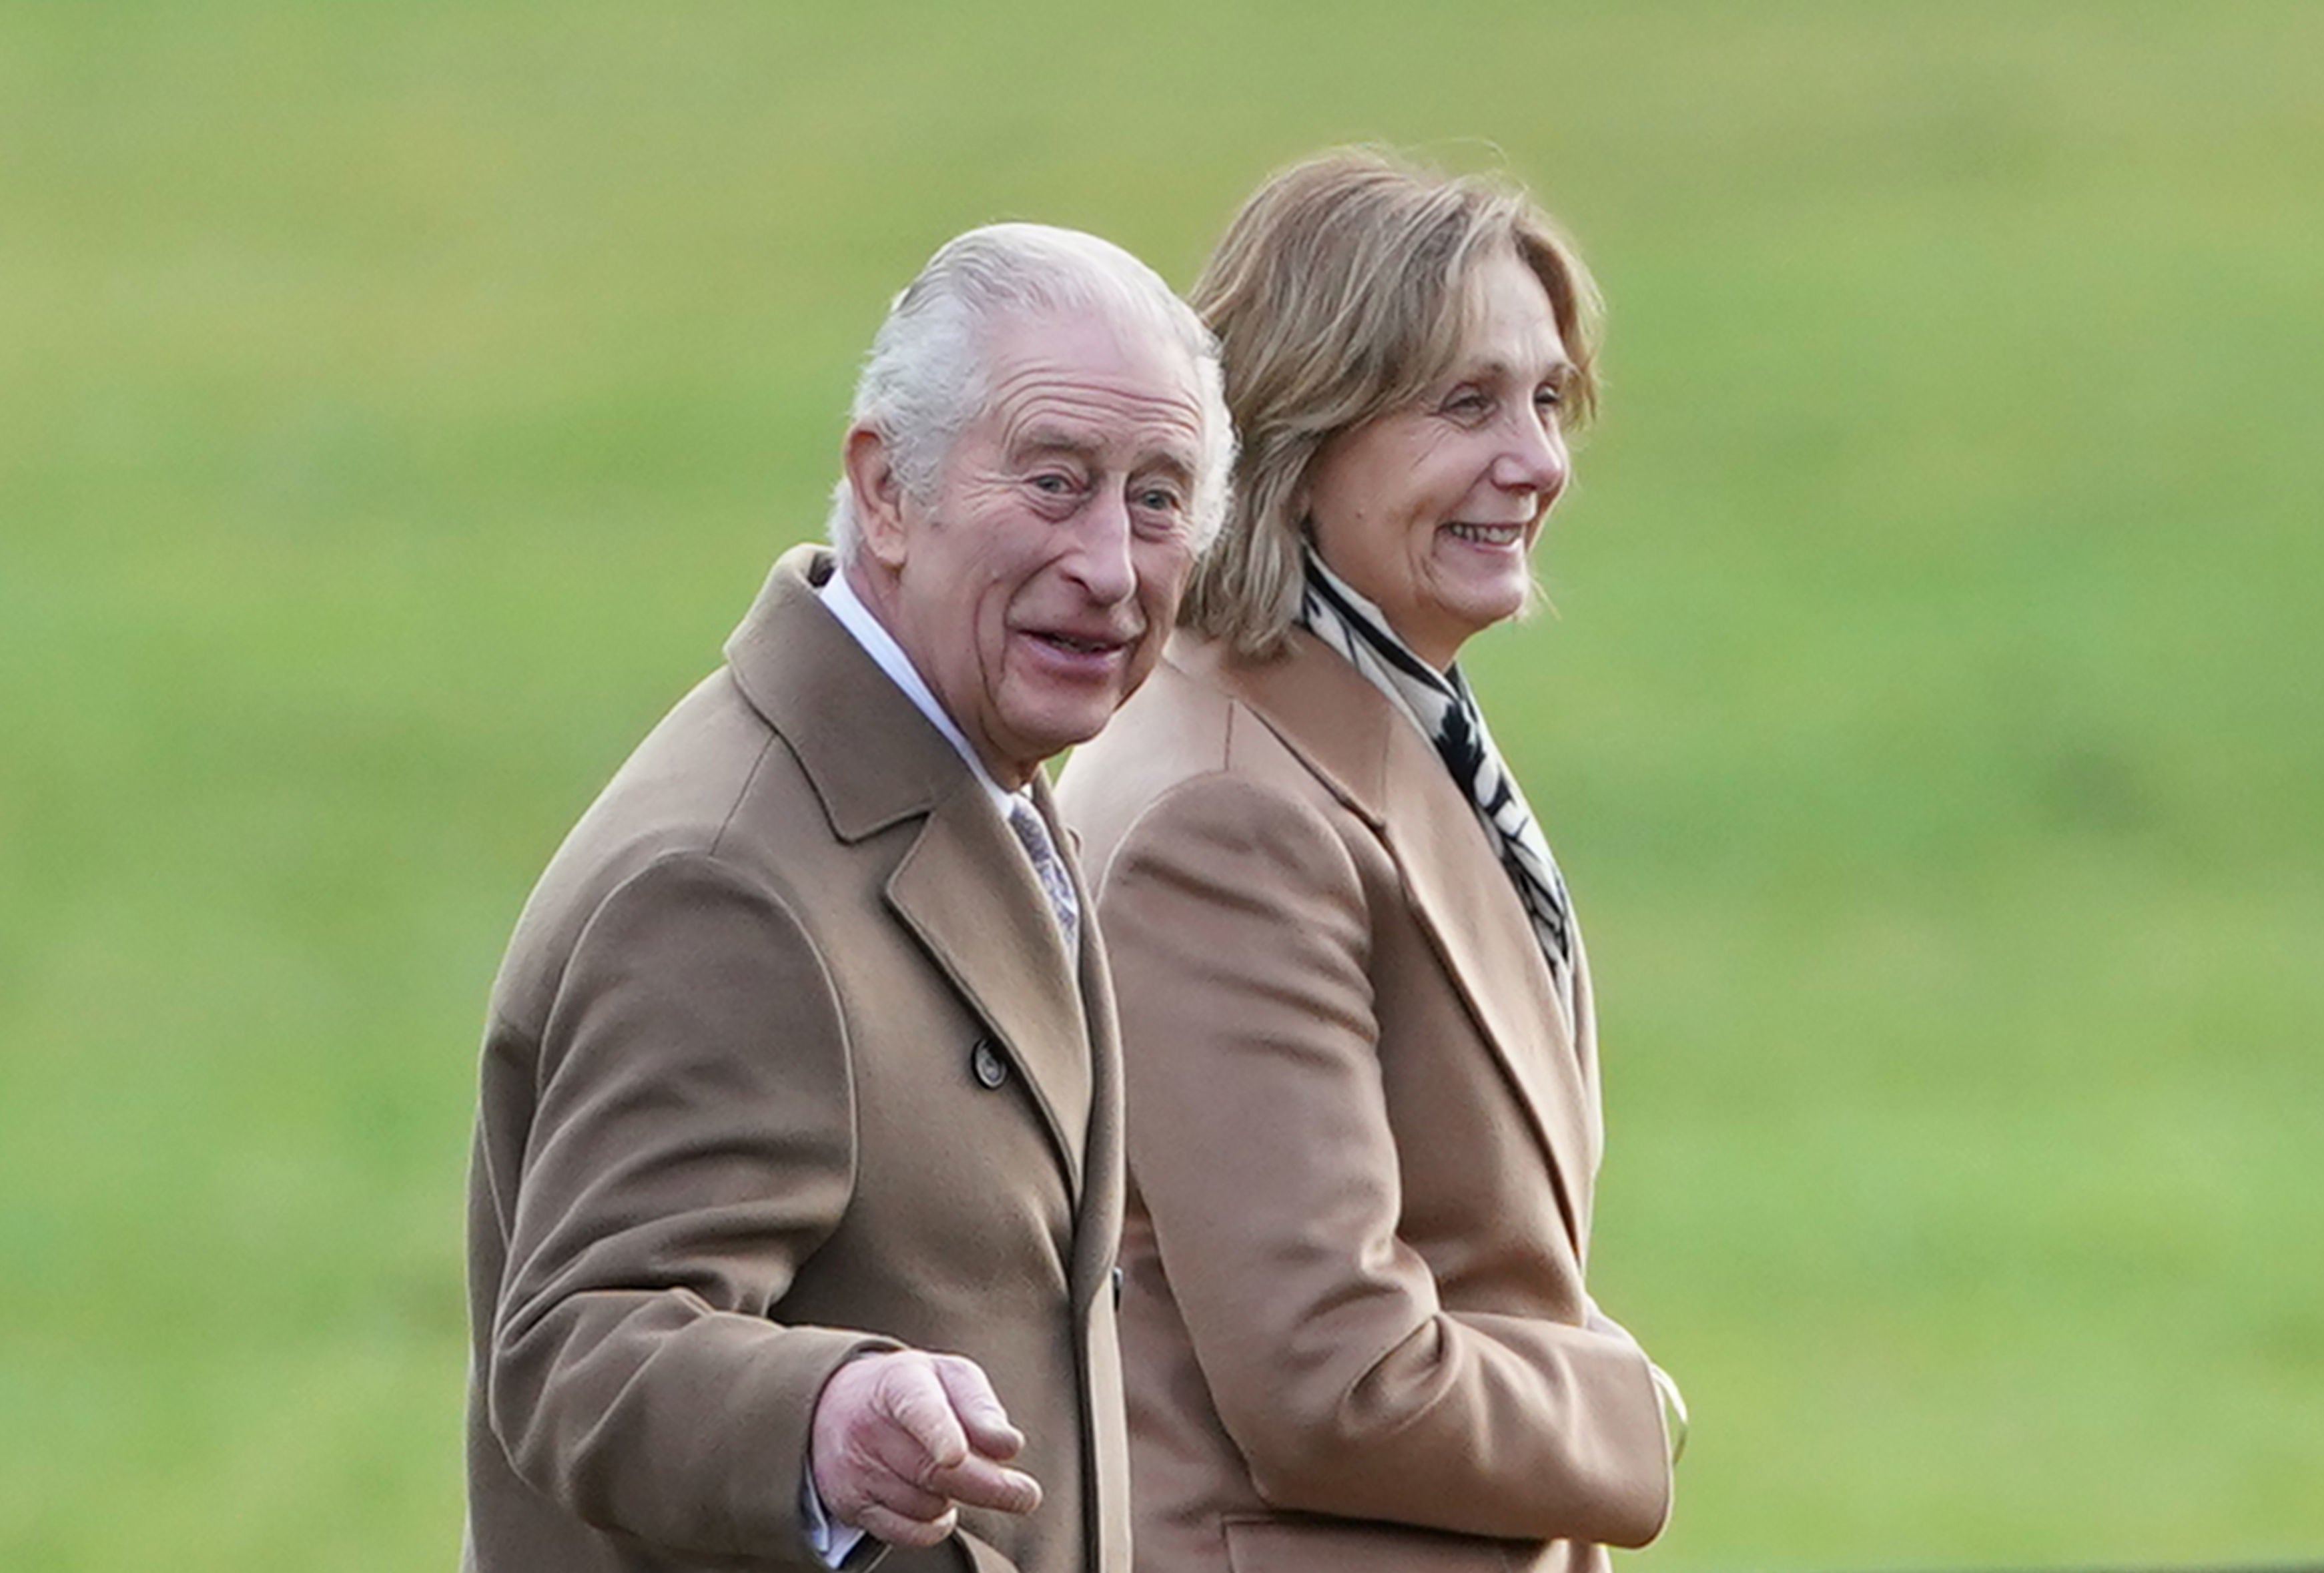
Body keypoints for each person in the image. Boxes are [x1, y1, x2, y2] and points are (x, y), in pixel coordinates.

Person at [462, 222, 1234, 1573]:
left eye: (1158, 499)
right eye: (1055, 485)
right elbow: (579, 1348)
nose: (1113, 564)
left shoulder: (971, 770)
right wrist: (821, 1415)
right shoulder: (727, 881)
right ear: (885, 491)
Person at [1055, 149, 1685, 1573]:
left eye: (1542, 399)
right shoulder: (1229, 817)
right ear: (1294, 437)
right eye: (1463, 405)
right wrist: (1633, 1417)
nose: (1533, 462)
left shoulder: (1366, 712)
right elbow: (1329, 1380)